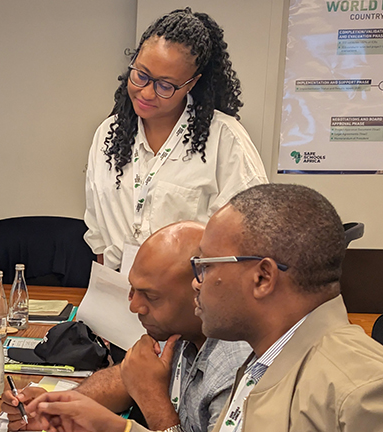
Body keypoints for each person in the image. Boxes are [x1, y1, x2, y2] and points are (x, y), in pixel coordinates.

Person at [31, 184, 383, 432]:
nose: (196, 285)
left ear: (262, 278)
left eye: (205, 267)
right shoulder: (265, 361)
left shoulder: (358, 386)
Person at [2, 221, 250, 432]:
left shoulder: (235, 366)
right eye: (132, 290)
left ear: (199, 292)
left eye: (151, 296)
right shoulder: (183, 330)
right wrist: (58, 406)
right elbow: (129, 376)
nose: (134, 306)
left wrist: (152, 397)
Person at [83, 8, 267, 271]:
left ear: (191, 84)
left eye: (165, 86)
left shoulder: (225, 139)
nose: (146, 93)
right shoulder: (107, 134)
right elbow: (98, 233)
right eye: (141, 75)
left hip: (190, 298)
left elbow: (250, 232)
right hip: (119, 292)